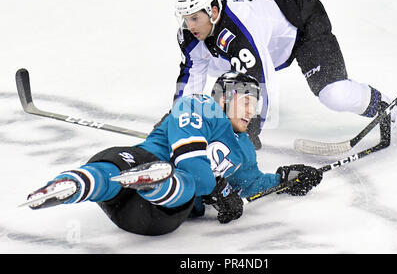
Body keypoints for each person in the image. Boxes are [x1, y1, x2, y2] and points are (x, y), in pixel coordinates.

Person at [21, 71, 323, 236]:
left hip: (157, 216)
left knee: (184, 185)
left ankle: (153, 184)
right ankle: (72, 185)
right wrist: (218, 191)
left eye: (255, 104)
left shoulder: (243, 149)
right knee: (123, 166)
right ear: (222, 98)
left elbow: (252, 183)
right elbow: (193, 163)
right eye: (245, 101)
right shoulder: (197, 107)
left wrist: (286, 179)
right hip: (137, 175)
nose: (252, 110)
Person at [173, 0, 397, 150]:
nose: (191, 25)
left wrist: (249, 133)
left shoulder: (240, 30)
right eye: (186, 18)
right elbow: (192, 74)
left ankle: (395, 110)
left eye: (195, 17)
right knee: (206, 62)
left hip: (303, 22)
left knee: (335, 95)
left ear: (214, 10)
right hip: (271, 32)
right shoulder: (194, 33)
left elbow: (262, 81)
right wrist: (178, 122)